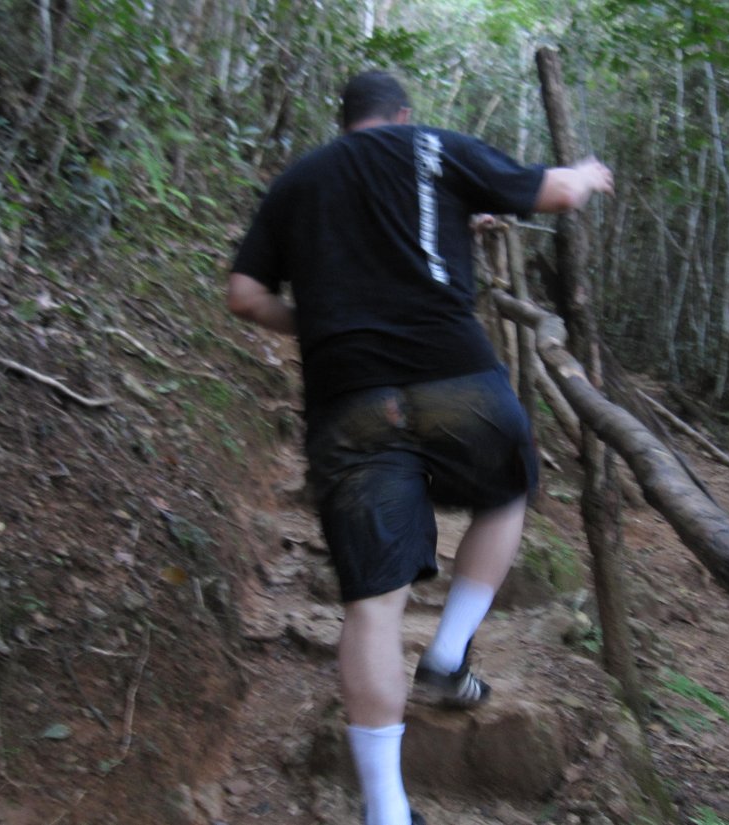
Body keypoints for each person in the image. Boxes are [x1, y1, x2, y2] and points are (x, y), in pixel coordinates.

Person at [227, 70, 613, 825]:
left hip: (349, 397)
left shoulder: (300, 181)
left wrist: (323, 323)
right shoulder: (433, 149)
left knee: (372, 603)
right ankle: (448, 653)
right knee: (507, 487)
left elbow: (243, 294)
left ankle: (385, 807)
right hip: (454, 373)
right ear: (402, 115)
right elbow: (555, 194)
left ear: (345, 123)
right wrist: (587, 174)